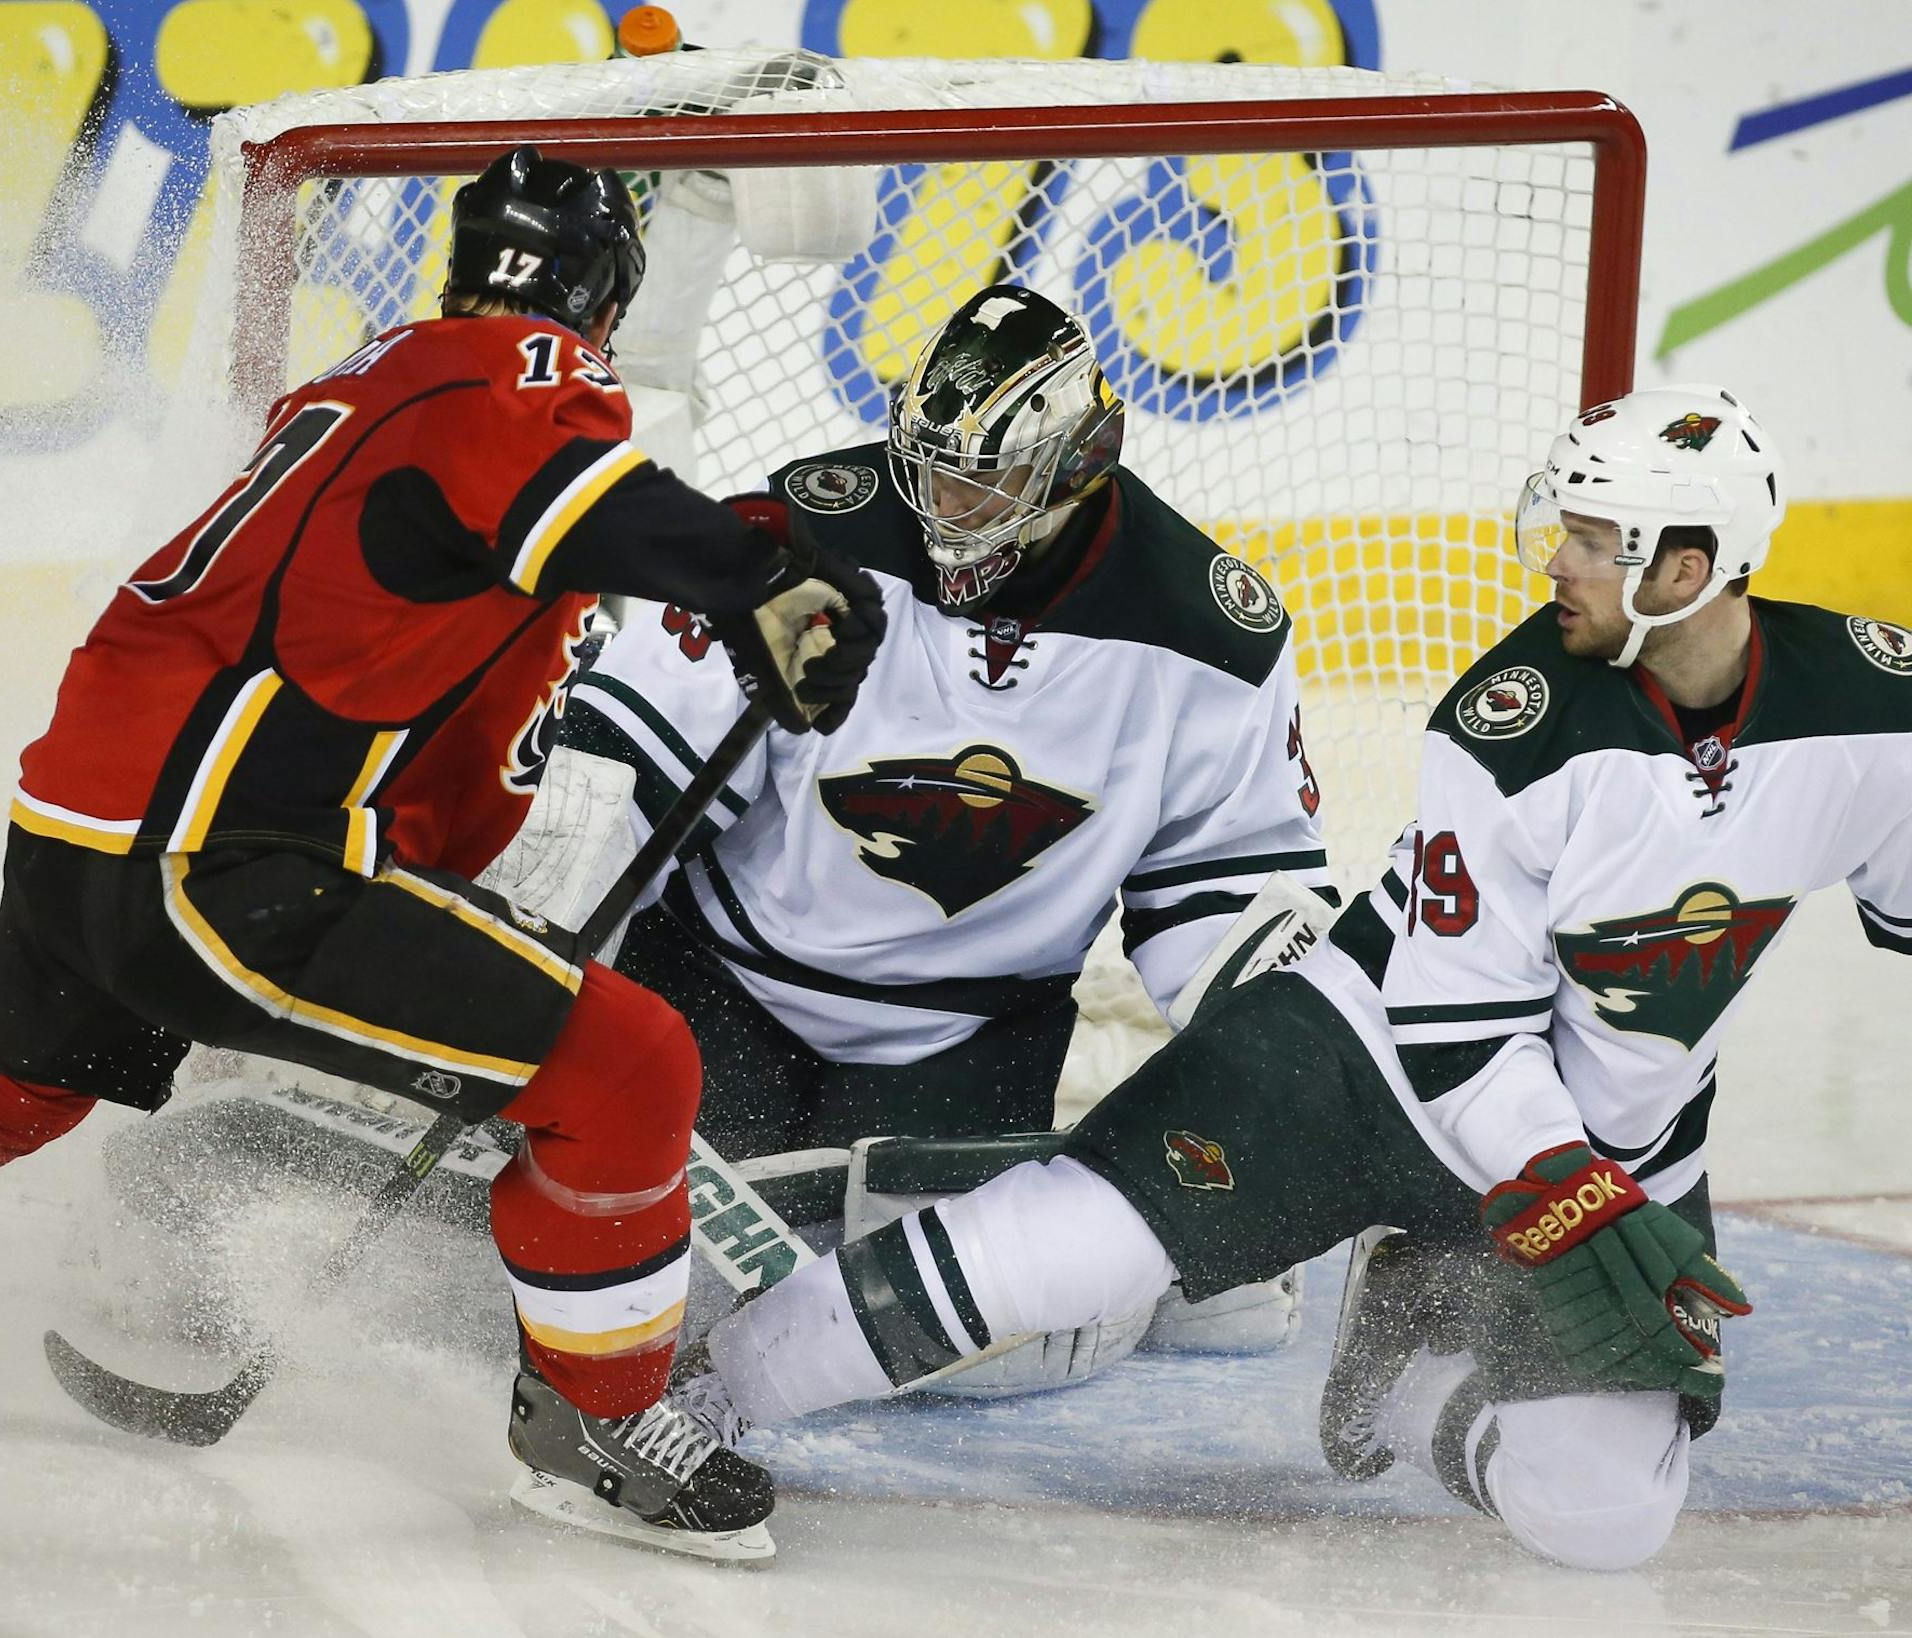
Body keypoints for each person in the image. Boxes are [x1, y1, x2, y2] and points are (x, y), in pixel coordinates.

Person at [0, 145, 885, 1560]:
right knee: (628, 1063)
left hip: (78, 823)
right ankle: (591, 1425)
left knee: (8, 1076)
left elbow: (427, 695)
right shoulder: (519, 373)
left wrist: (441, 899)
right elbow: (566, 485)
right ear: (600, 294)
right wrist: (758, 580)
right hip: (221, 863)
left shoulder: (362, 380)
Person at [677, 384, 1912, 1570]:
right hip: (1361, 1063)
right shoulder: (1515, 728)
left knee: (1606, 1521)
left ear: (1684, 570)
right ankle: (708, 1389)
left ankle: (1408, 1364)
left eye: (1591, 541)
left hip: (1603, 1146)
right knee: (1058, 1254)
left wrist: (1607, 1175)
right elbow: (1455, 1034)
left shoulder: (1878, 712)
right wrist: (1568, 1188)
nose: (1554, 563)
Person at [544, 282, 1332, 1382]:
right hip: (723, 992)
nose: (945, 510)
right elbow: (619, 771)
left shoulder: (1206, 634)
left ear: (1083, 458)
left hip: (967, 1041)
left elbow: (1221, 894)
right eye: (929, 472)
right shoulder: (803, 534)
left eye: (986, 481)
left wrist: (1283, 1089)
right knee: (613, 1270)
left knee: (962, 1349)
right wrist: (536, 975)